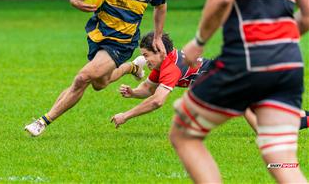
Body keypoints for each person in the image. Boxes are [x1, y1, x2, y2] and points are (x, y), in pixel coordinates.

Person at [169, 0, 309, 183]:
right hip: (288, 64)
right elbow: (308, 13)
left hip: (245, 60)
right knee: (281, 159)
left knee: (184, 133)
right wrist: (282, 37)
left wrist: (198, 43)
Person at [25, 0, 167, 136]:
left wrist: (158, 36)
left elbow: (160, 6)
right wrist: (74, 0)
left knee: (82, 78)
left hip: (122, 42)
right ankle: (133, 67)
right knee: (99, 84)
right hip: (98, 35)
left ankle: (43, 121)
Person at [109, 32, 309, 131]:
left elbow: (157, 101)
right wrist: (134, 93)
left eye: (146, 55)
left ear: (160, 52)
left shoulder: (170, 67)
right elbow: (148, 88)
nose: (145, 60)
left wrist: (126, 115)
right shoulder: (164, 64)